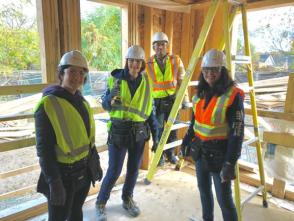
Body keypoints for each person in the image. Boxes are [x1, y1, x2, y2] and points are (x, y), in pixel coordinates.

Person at [34, 50, 103, 221]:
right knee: (58, 217)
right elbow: (44, 150)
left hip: (83, 173)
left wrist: (95, 162)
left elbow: (88, 141)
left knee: (76, 213)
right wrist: (54, 182)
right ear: (61, 73)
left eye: (81, 72)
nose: (77, 76)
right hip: (62, 177)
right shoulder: (48, 104)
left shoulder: (83, 103)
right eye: (72, 71)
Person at [95, 45, 159, 221]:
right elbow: (106, 106)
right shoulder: (115, 79)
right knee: (114, 170)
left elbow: (150, 112)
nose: (135, 65)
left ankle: (127, 199)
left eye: (138, 61)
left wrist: (157, 135)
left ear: (142, 64)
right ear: (127, 62)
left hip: (139, 132)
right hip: (118, 131)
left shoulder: (147, 83)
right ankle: (100, 202)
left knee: (133, 170)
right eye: (132, 61)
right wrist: (109, 99)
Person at [181, 49, 244, 221]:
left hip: (220, 156)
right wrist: (186, 141)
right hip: (201, 152)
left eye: (214, 70)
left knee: (224, 200)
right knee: (204, 191)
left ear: (222, 71)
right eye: (206, 70)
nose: (210, 74)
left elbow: (237, 132)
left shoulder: (232, 95)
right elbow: (194, 124)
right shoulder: (199, 94)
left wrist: (231, 162)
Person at [146, 31, 190, 166]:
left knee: (173, 129)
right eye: (157, 45)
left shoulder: (176, 60)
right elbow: (145, 86)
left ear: (167, 46)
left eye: (163, 44)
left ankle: (170, 155)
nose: (160, 47)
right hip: (157, 102)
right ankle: (159, 157)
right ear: (153, 47)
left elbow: (183, 80)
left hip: (173, 100)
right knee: (157, 130)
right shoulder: (148, 63)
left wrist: (185, 100)